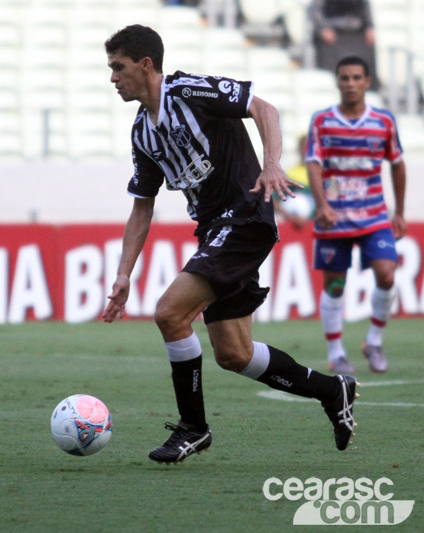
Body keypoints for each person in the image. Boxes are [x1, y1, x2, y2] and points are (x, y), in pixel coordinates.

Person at [102, 25, 359, 464]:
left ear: (145, 65)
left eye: (118, 67)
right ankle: (333, 390)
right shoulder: (142, 132)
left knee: (169, 313)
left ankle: (193, 428)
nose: (112, 77)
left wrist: (272, 163)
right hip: (214, 228)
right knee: (234, 354)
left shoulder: (188, 91)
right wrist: (124, 274)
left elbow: (263, 108)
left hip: (243, 217)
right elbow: (142, 207)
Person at [306, 55, 406, 375]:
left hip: (374, 216)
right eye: (345, 78)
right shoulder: (323, 121)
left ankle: (373, 341)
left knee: (387, 275)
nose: (350, 84)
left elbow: (397, 164)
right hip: (334, 218)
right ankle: (336, 353)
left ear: (367, 82)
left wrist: (400, 212)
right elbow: (313, 164)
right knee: (335, 285)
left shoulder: (383, 121)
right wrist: (321, 205)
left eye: (356, 78)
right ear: (337, 82)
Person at [309, 0, 378, 90]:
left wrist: (369, 27)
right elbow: (315, 11)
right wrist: (322, 28)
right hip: (331, 34)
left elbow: (364, 8)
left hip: (356, 34)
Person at [273, 134, 314, 230]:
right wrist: (290, 217)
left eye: (311, 147)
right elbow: (273, 201)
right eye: (305, 147)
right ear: (299, 149)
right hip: (296, 230)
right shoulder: (290, 175)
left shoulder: (325, 175)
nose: (308, 151)